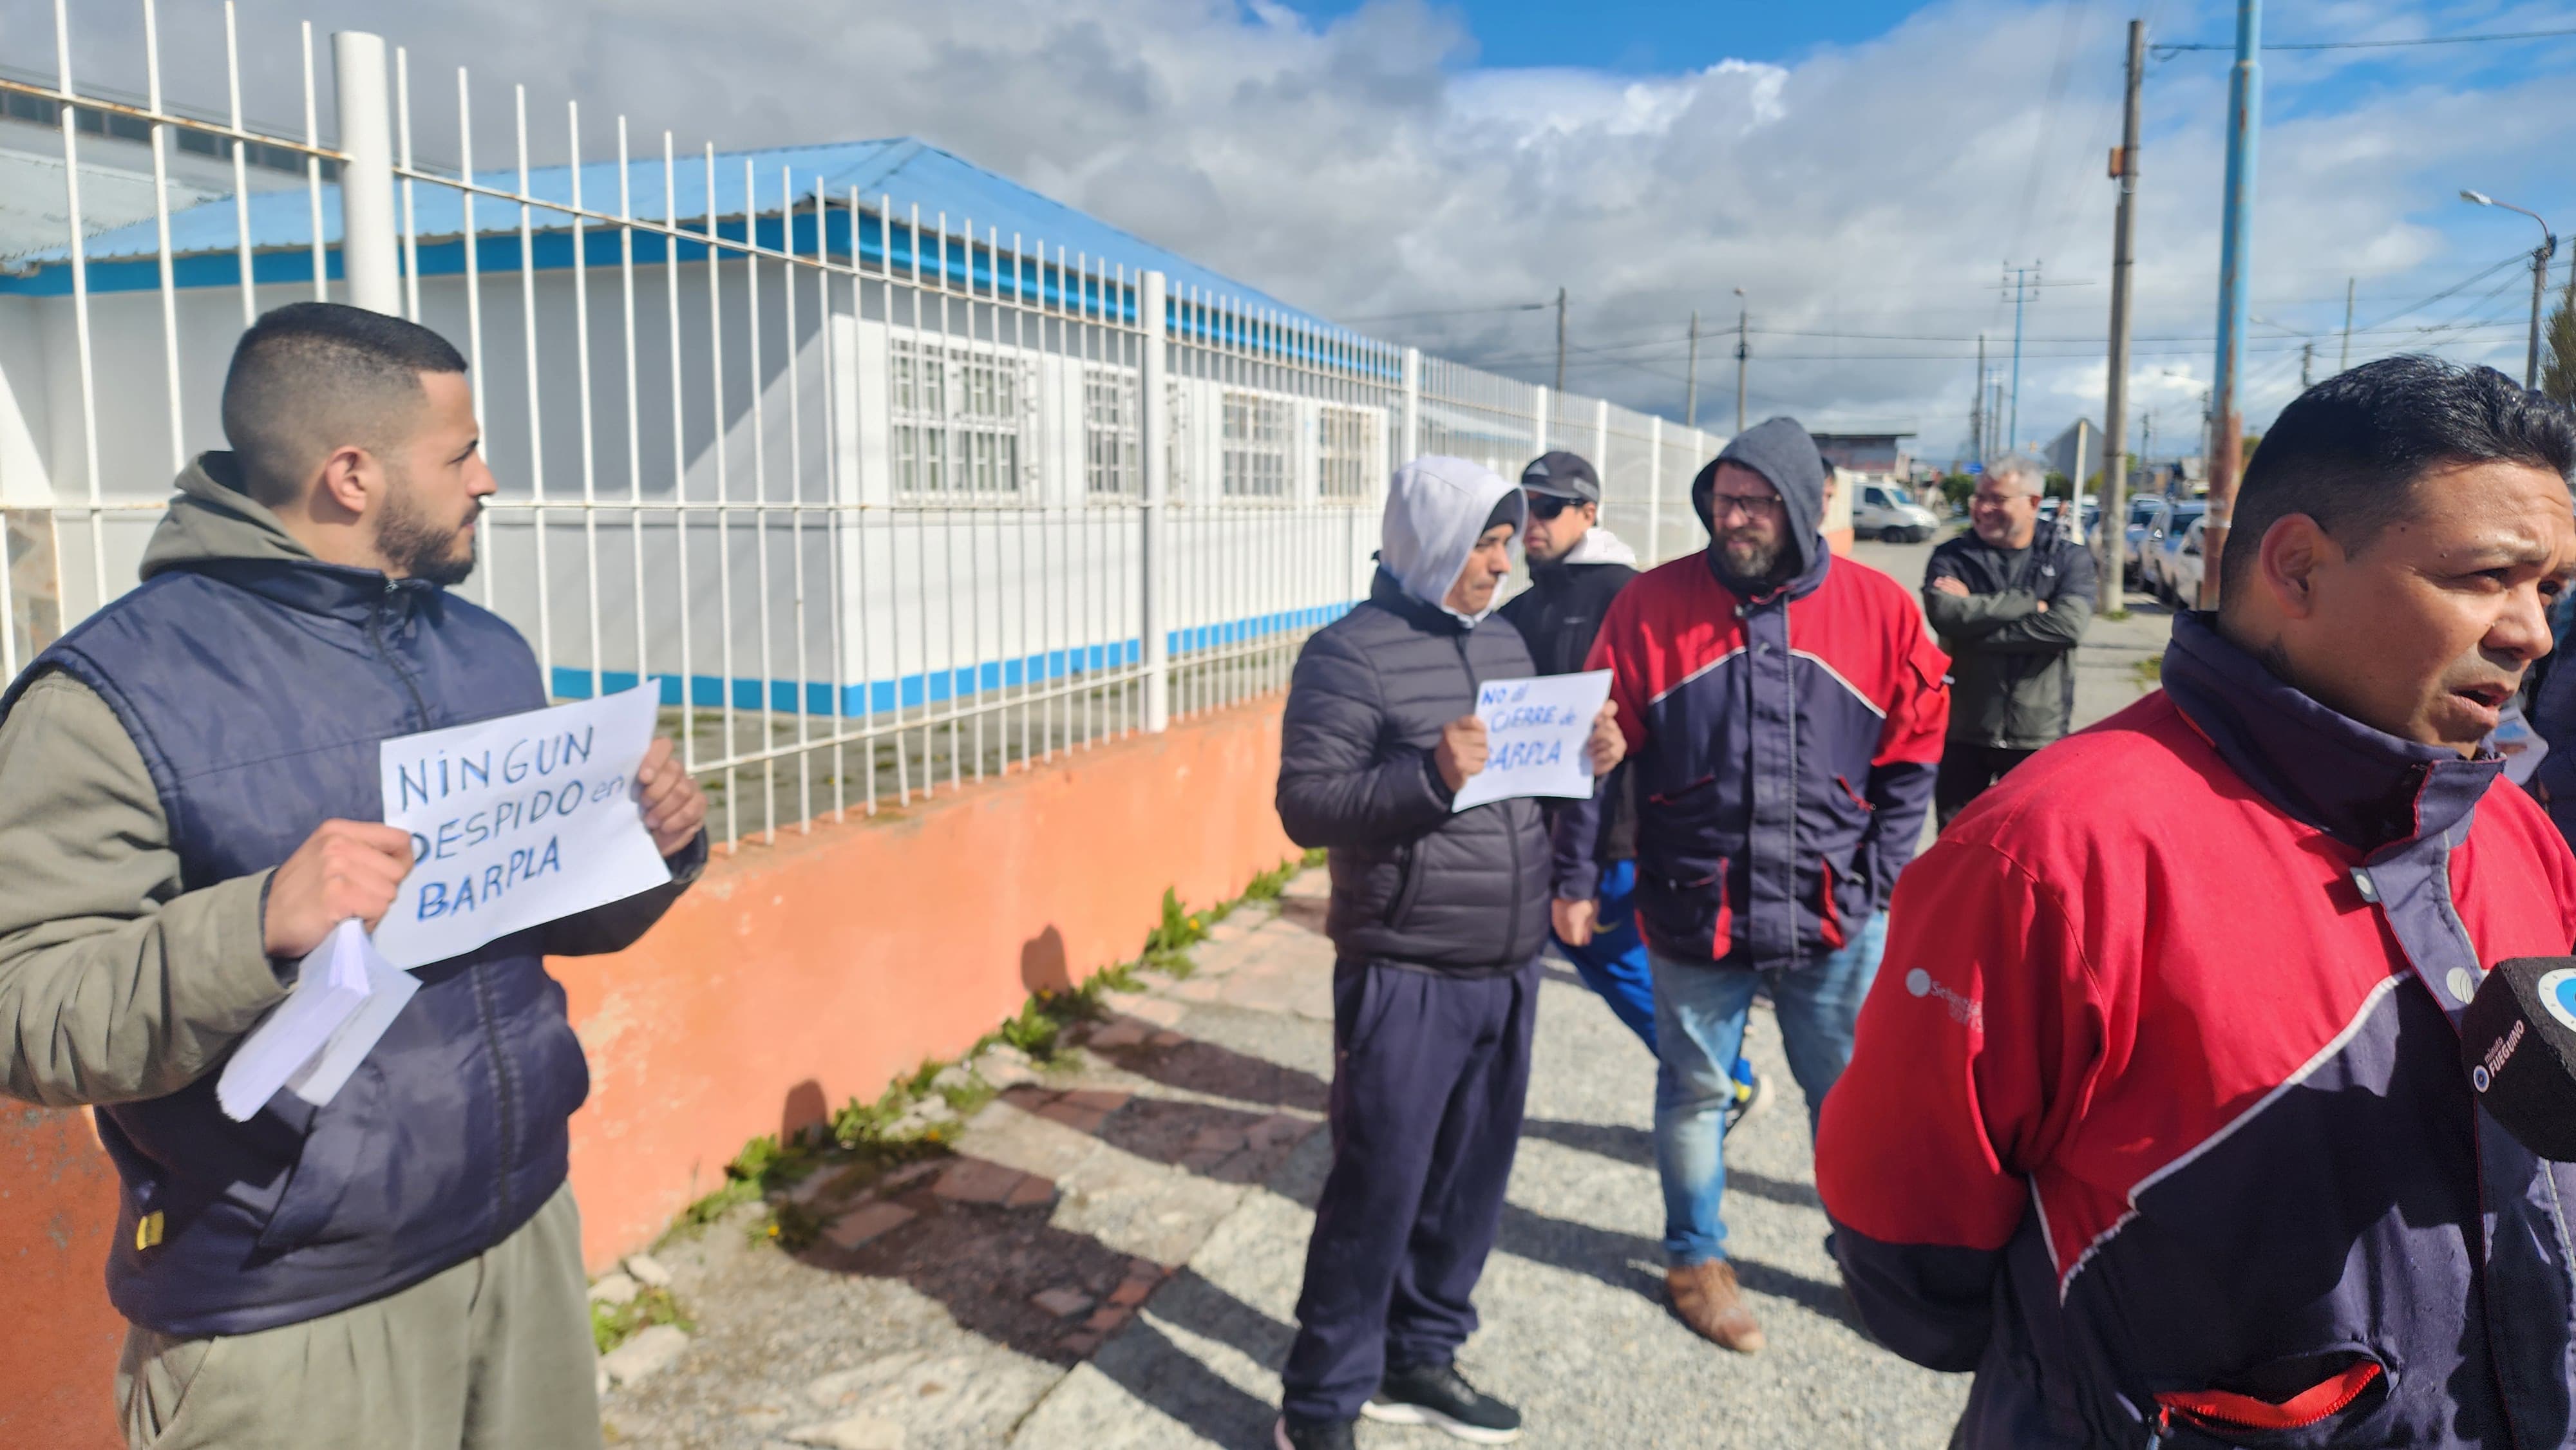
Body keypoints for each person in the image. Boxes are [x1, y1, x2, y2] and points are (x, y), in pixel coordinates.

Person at [1817, 356, 2576, 1448]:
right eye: (2486, 576)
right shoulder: (2048, 859)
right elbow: (1910, 1254)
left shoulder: (2509, 823)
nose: (2532, 631)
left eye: (2547, 586)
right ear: (2298, 567)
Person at [0, 303, 710, 1450]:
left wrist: (650, 842)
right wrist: (260, 925)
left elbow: (532, 918)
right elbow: (23, 1012)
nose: (488, 477)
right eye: (460, 451)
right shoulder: (107, 695)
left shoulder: (482, 649)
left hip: (517, 1234)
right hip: (285, 1319)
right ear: (351, 474)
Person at [1551, 419, 1947, 1354]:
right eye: (1722, 500)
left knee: (1846, 1098)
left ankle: (1863, 1255)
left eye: (1756, 500)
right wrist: (1573, 873)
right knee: (1693, 1090)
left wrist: (1884, 877)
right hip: (1695, 900)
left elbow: (1915, 751)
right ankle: (1695, 1260)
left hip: (1834, 910)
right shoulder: (1648, 608)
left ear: (1806, 505)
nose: (1733, 519)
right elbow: (1591, 748)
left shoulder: (1880, 611)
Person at [1273, 455, 1624, 1450]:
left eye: (1510, 542)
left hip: (1507, 965)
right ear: (1430, 541)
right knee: (1375, 1193)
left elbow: (1530, 785)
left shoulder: (1505, 642)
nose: (1503, 564)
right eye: (1487, 542)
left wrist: (1589, 760)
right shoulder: (1348, 655)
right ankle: (1320, 1405)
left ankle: (1420, 1358)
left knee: (1468, 1187)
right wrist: (1428, 774)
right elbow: (1307, 807)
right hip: (1406, 968)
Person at [1495, 451, 1765, 1123]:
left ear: (1589, 512)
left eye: (1549, 506)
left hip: (1615, 828)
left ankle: (1722, 1073)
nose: (1533, 520)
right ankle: (1716, 1062)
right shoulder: (1524, 605)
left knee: (1609, 954)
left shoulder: (1628, 593)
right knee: (1603, 954)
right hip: (1542, 824)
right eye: (1524, 505)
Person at [1922, 455, 2096, 828]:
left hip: (2038, 735)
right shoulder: (1953, 556)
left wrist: (1975, 626)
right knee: (1957, 851)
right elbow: (1946, 616)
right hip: (1964, 731)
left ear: (2033, 502)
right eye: (1979, 498)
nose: (1983, 508)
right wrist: (2029, 603)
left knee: (2029, 849)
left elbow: (2067, 627)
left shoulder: (2067, 558)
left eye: (1997, 499)